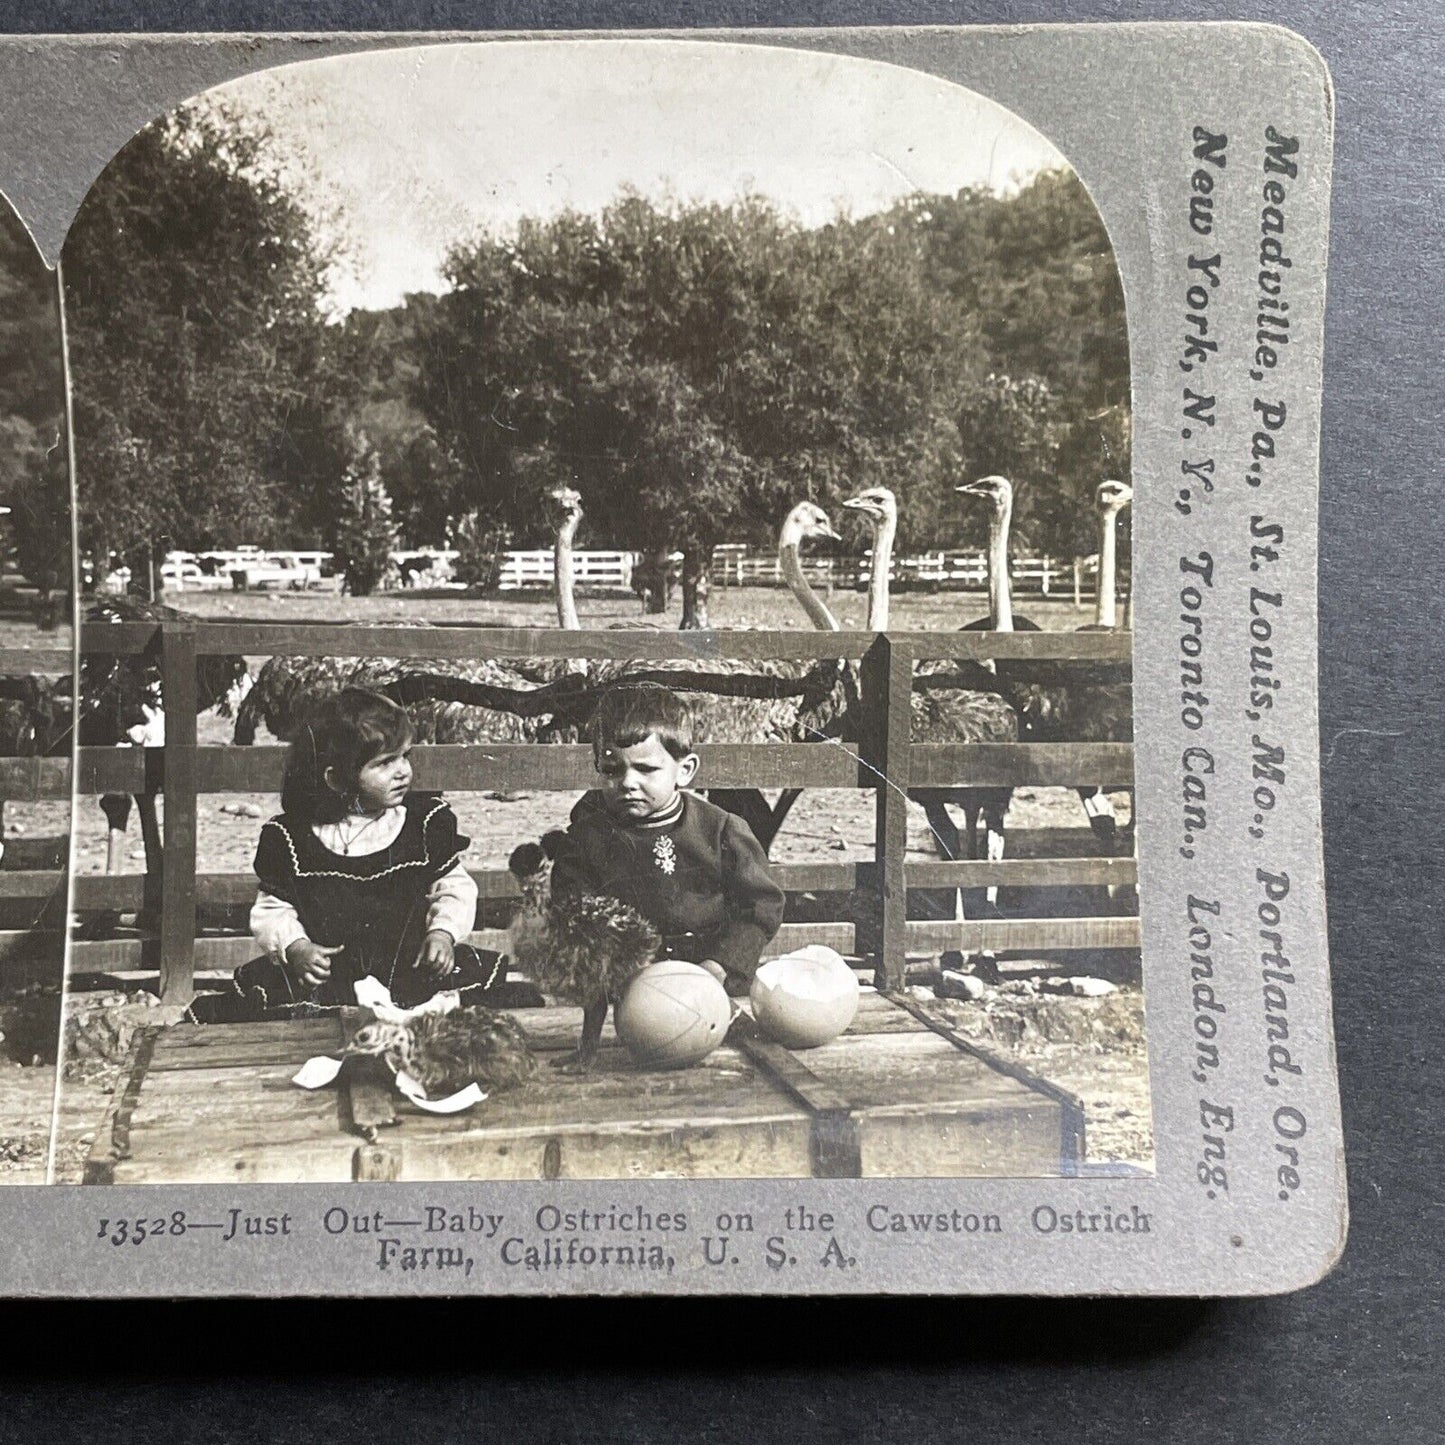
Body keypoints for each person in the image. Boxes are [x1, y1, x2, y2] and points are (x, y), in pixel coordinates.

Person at [187, 687, 541, 1022]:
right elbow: (273, 909)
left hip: (411, 969)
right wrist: (296, 947)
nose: (403, 771)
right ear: (337, 779)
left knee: (489, 1003)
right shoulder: (293, 838)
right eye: (385, 763)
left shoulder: (421, 824)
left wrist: (443, 933)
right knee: (278, 1011)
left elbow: (453, 887)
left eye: (406, 756)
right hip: (331, 977)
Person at [550, 683, 785, 997]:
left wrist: (719, 965)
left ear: (684, 770)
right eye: (612, 769)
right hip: (622, 983)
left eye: (646, 769)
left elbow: (760, 906)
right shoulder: (588, 837)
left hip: (711, 979)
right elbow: (573, 909)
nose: (628, 782)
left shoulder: (718, 830)